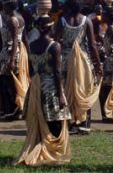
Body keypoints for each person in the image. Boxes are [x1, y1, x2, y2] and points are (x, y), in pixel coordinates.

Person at [14, 16, 71, 166]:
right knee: (55, 119)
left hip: (35, 87)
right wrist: (61, 95)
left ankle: (41, 147)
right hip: (50, 86)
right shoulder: (55, 46)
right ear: (49, 28)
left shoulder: (32, 45)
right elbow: (57, 72)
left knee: (40, 119)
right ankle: (51, 151)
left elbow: (33, 68)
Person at [54, 0, 102, 134]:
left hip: (66, 59)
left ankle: (69, 123)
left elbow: (56, 42)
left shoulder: (62, 20)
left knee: (66, 89)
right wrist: (98, 64)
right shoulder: (87, 21)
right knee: (84, 88)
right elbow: (92, 45)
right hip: (83, 60)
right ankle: (84, 124)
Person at [0, 0, 29, 120]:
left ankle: (13, 108)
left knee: (7, 82)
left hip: (11, 51)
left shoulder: (12, 20)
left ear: (10, 7)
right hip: (15, 51)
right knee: (10, 81)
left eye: (5, 7)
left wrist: (11, 60)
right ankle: (15, 108)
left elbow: (16, 38)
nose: (3, 9)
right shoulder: (20, 17)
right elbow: (24, 37)